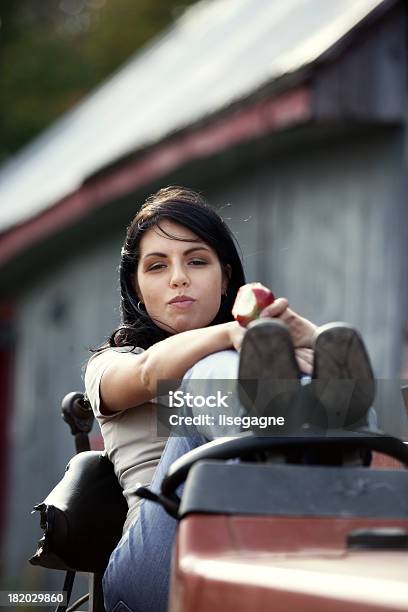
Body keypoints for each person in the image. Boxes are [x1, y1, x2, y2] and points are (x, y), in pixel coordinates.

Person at [83, 186, 375, 612]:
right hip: (153, 570)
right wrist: (227, 335)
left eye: (197, 261)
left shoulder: (259, 358)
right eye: (157, 266)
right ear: (137, 288)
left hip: (260, 540)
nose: (178, 277)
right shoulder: (113, 361)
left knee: (320, 384)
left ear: (225, 281)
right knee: (206, 370)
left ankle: (313, 452)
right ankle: (277, 445)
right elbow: (150, 372)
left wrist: (306, 335)